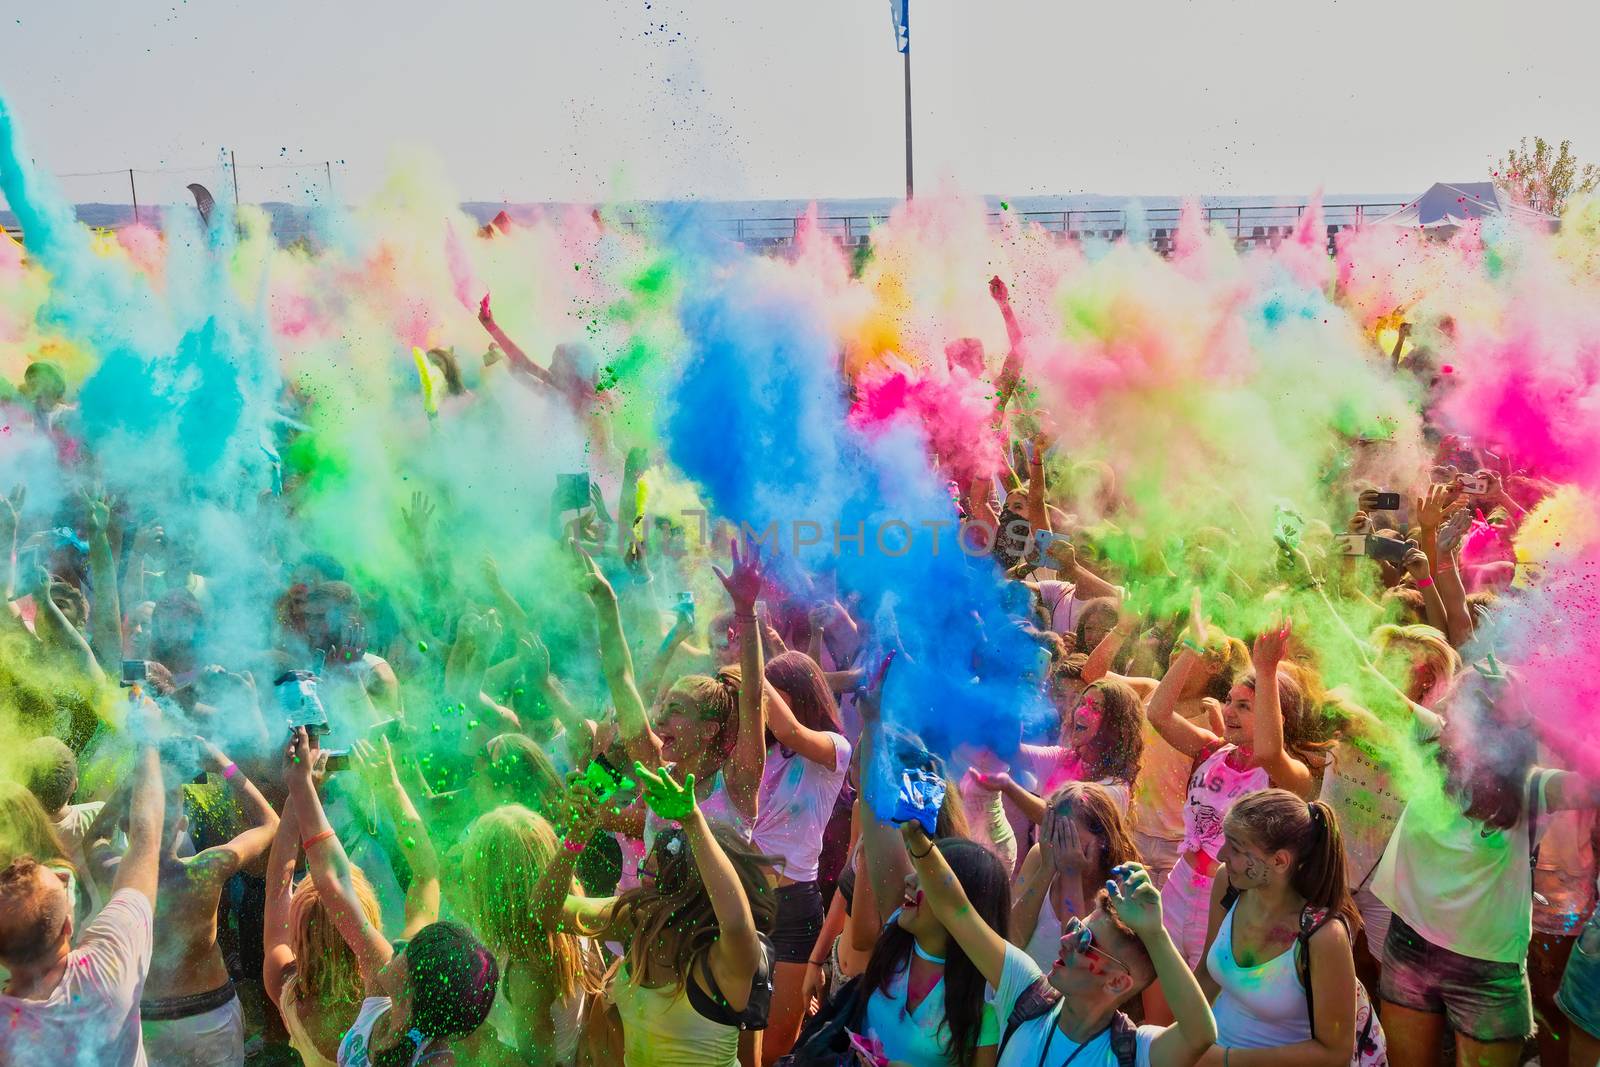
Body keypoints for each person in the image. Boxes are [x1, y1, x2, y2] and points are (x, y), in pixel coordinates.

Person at [1371, 670, 1600, 1067]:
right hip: (1409, 944)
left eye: (1457, 706)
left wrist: (1532, 722)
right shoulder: (1428, 747)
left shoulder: (1530, 787)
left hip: (1486, 972)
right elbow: (1366, 674)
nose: (1443, 710)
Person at [898, 818, 1218, 1067]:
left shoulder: (1135, 1053)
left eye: (1084, 940)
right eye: (1076, 926)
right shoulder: (1025, 993)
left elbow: (1200, 1034)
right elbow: (956, 911)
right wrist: (918, 842)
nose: (1066, 939)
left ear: (1118, 982)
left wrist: (1155, 933)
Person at [532, 764, 777, 1067]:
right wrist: (575, 839)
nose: (640, 882)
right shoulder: (637, 921)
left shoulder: (725, 958)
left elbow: (738, 923)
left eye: (651, 877)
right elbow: (546, 911)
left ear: (684, 893)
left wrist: (693, 821)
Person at [282, 727, 497, 1066]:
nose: (397, 947)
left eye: (408, 953)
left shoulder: (435, 1061)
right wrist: (303, 785)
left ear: (416, 986)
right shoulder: (384, 996)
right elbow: (342, 881)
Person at [1146, 613, 1325, 968]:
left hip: (1229, 899)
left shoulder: (1288, 774)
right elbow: (1159, 714)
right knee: (1161, 984)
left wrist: (1267, 669)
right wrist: (1192, 647)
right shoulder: (1213, 750)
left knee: (1205, 1001)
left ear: (1277, 715)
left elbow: (1268, 752)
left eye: (1244, 706)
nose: (1228, 712)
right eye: (1230, 701)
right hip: (1179, 884)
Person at [575, 537, 768, 848]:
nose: (660, 719)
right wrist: (606, 605)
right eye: (663, 707)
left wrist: (746, 611)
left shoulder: (736, 784)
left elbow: (753, 698)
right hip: (649, 898)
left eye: (676, 710)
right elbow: (621, 679)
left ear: (709, 729)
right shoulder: (657, 774)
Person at [0, 734, 164, 1066]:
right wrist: (147, 738)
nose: (63, 874)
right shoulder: (110, 966)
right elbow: (145, 842)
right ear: (69, 924)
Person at [1199, 788, 1377, 1064]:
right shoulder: (1230, 884)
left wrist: (1225, 1060)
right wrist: (1179, 1043)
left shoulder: (1324, 936)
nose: (1221, 854)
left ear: (1279, 861)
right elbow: (1206, 979)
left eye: (1235, 847)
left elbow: (1334, 1053)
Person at [140, 738, 279, 1067]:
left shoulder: (115, 875)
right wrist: (223, 765)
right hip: (210, 1015)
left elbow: (95, 839)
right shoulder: (207, 868)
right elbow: (270, 822)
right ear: (182, 824)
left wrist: (141, 772)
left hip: (151, 1017)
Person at [753, 650, 852, 1065]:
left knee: (774, 1049)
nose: (759, 703)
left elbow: (792, 731)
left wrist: (750, 666)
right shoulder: (760, 752)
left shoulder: (835, 749)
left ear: (798, 694)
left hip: (793, 911)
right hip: (746, 900)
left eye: (770, 694)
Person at [456, 804, 599, 1065]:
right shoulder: (572, 907)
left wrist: (477, 1042)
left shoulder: (526, 969)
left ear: (492, 887)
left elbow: (538, 1062)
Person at [1011, 782, 1143, 973]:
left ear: (1104, 841)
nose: (1065, 851)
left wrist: (1071, 875)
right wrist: (1047, 869)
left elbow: (1077, 963)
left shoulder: (1120, 889)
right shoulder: (1041, 857)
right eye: (1058, 837)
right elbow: (1013, 941)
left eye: (1073, 842)